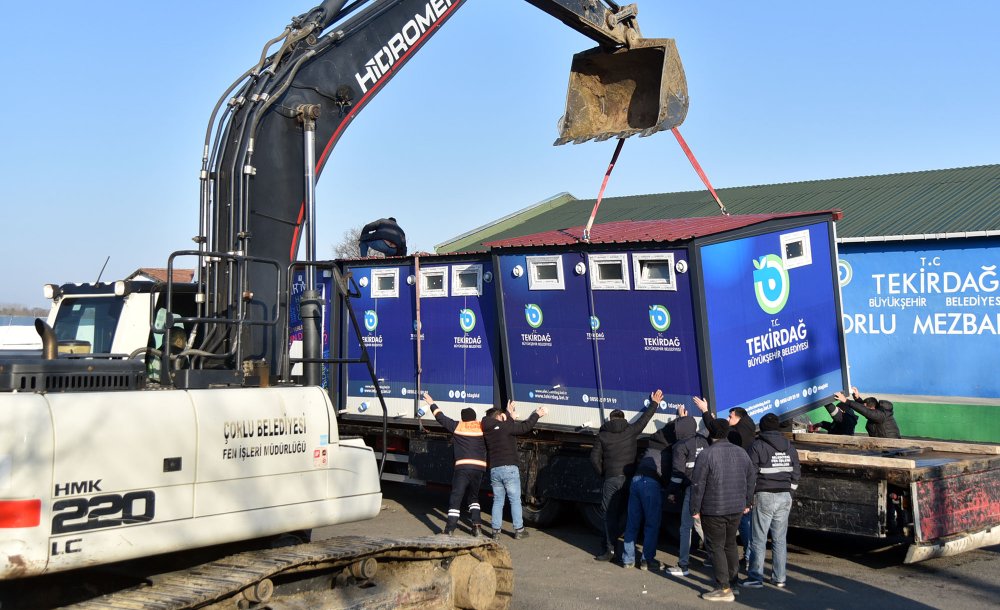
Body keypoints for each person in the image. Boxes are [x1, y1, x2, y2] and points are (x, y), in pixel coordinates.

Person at [589, 391, 659, 562]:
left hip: (611, 478)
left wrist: (603, 473)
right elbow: (644, 420)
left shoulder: (602, 435)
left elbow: (593, 458)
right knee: (628, 514)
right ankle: (625, 548)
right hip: (628, 479)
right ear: (623, 418)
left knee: (608, 515)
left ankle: (609, 550)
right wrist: (654, 403)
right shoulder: (630, 431)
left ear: (610, 419)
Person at [690, 420, 755, 603]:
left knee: (716, 546)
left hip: (714, 508)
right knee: (730, 545)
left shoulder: (706, 454)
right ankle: (733, 584)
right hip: (736, 507)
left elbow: (698, 483)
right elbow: (751, 478)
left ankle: (723, 588)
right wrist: (748, 501)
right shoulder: (741, 452)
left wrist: (695, 508)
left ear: (710, 433)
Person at [694, 396, 756, 571]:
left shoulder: (738, 433)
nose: (729, 420)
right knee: (737, 532)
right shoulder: (747, 427)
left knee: (736, 532)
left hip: (732, 492)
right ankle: (739, 568)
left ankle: (728, 578)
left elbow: (719, 431)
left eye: (730, 417)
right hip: (741, 489)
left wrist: (706, 413)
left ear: (739, 417)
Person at [742, 413, 800, 589]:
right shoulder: (790, 447)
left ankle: (755, 577)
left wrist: (747, 499)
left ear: (763, 427)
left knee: (758, 539)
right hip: (784, 496)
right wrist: (790, 491)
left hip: (764, 495)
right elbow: (796, 472)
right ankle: (779, 577)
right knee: (780, 539)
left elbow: (751, 475)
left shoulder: (757, 446)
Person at [423, 392, 487, 536]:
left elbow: (440, 417)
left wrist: (431, 402)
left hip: (463, 468)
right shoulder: (482, 427)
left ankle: (450, 528)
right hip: (479, 468)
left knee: (456, 497)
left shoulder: (458, 426)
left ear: (463, 418)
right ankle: (477, 526)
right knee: (474, 497)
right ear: (474, 417)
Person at [482, 400, 547, 540]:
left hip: (494, 469)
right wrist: (537, 414)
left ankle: (495, 532)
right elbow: (525, 427)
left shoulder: (487, 430)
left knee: (498, 501)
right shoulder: (505, 427)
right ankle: (519, 530)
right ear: (498, 418)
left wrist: (508, 413)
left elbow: (504, 425)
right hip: (509, 468)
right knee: (515, 500)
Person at [665, 405, 709, 577]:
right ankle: (714, 557)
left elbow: (677, 475)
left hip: (692, 489)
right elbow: (697, 430)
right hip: (707, 488)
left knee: (685, 527)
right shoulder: (703, 440)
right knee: (702, 524)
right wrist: (685, 420)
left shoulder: (680, 447)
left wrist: (671, 492)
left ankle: (683, 565)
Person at [620, 425, 669, 570]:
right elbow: (667, 474)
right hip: (650, 484)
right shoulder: (667, 451)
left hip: (636, 481)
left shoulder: (650, 446)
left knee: (632, 522)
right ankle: (646, 560)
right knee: (651, 524)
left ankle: (628, 560)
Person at [834, 386, 901, 438]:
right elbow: (865, 408)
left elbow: (866, 411)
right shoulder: (876, 410)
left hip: (891, 447)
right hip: (882, 445)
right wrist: (857, 398)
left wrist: (846, 401)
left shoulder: (880, 416)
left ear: (872, 408)